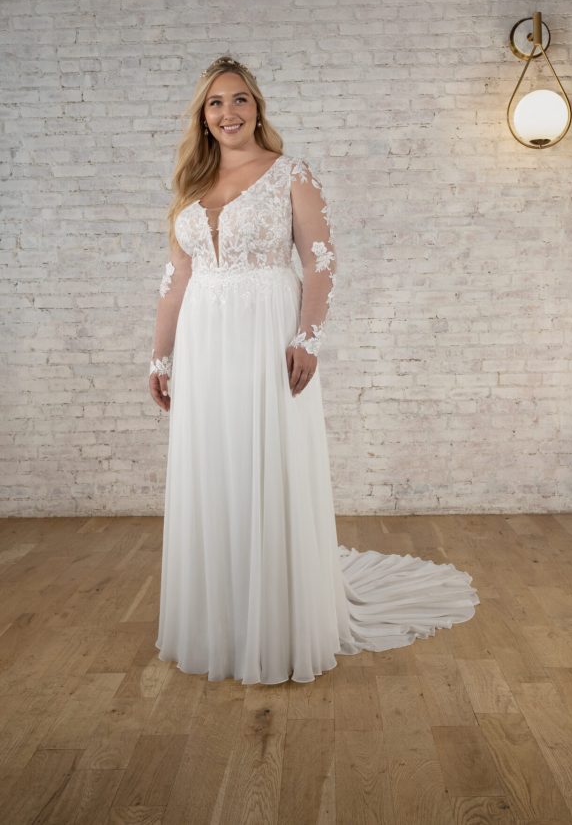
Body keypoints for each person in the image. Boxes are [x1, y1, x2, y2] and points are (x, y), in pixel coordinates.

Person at [148, 56, 480, 685]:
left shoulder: (289, 173)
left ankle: (278, 619)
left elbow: (320, 261)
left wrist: (307, 337)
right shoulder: (191, 184)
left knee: (265, 460)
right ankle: (220, 616)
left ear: (258, 107)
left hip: (266, 329)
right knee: (215, 465)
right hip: (204, 337)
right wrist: (160, 356)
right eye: (216, 103)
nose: (229, 113)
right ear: (203, 115)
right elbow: (175, 282)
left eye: (240, 100)